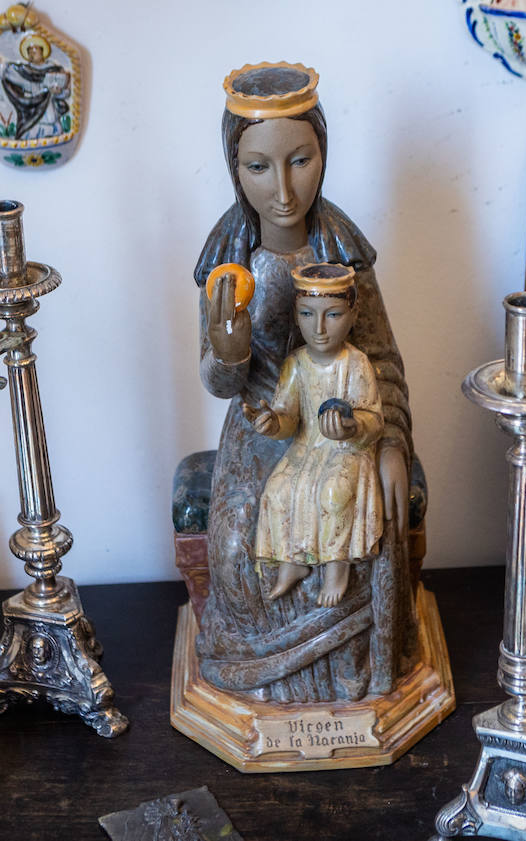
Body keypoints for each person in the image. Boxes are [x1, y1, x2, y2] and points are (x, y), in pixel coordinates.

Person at [193, 62, 414, 703]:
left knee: (358, 527)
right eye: (258, 166)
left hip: (343, 426)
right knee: (238, 549)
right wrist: (229, 355)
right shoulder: (225, 263)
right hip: (265, 421)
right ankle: (267, 681)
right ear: (234, 167)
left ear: (324, 154)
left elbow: (383, 360)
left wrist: (392, 441)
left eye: (301, 161)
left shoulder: (345, 255)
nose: (283, 189)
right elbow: (216, 378)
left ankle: (346, 675)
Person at [247, 264, 384, 609]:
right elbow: (288, 416)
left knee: (333, 492)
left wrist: (352, 427)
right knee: (279, 490)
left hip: (346, 450)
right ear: (297, 315)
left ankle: (337, 567)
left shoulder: (356, 364)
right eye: (307, 315)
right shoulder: (296, 365)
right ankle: (293, 560)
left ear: (352, 314)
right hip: (307, 446)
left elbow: (374, 418)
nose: (319, 328)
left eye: (333, 314)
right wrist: (272, 423)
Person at [0, 33, 71, 140]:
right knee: (30, 134)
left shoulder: (54, 69)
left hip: (49, 111)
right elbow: (10, 73)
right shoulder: (24, 71)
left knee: (52, 133)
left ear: (42, 51)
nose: (32, 54)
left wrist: (58, 92)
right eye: (29, 52)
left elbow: (66, 92)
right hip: (30, 111)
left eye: (35, 51)